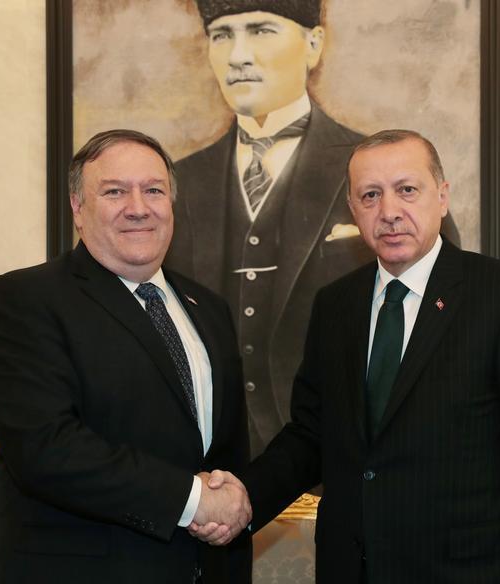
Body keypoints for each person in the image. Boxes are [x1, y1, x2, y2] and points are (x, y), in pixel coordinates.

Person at [198, 129, 500, 582]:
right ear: (352, 208)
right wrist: (245, 496)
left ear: (442, 197)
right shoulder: (336, 305)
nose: (389, 212)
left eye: (407, 190)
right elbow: (311, 436)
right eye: (371, 195)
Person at [166, 0, 460, 457]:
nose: (238, 55)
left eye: (261, 30)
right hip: (219, 459)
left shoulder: (374, 172)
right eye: (222, 35)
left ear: (313, 43)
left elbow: (444, 321)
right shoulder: (180, 183)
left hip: (350, 456)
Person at [0, 130, 252, 583]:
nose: (138, 207)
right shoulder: (24, 299)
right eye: (115, 191)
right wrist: (193, 499)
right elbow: (46, 449)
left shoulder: (209, 309)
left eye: (153, 190)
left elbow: (225, 453)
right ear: (77, 208)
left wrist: (230, 505)